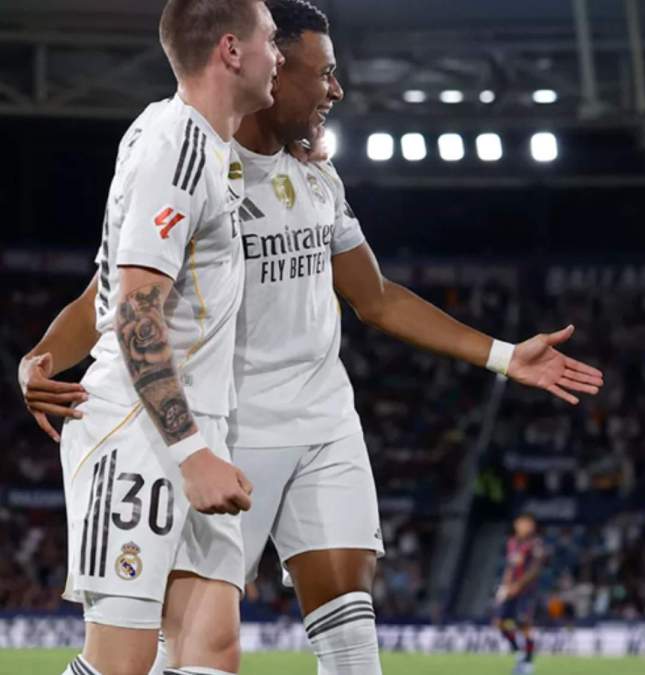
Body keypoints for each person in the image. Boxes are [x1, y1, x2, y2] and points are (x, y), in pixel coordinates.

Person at [19, 2, 603, 672]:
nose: (337, 90)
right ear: (251, 57)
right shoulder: (182, 147)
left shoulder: (298, 168)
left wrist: (502, 356)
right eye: (315, 68)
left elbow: (374, 295)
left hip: (301, 417)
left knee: (232, 647)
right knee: (133, 659)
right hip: (197, 426)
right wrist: (49, 358)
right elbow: (125, 295)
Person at [22, 1, 282, 673]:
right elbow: (136, 309)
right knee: (122, 662)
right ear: (231, 49)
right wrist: (192, 452)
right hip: (140, 431)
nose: (279, 55)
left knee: (212, 649)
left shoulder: (189, 141)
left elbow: (106, 287)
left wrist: (42, 355)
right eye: (271, 40)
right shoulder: (178, 144)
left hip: (191, 430)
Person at [493, 514, 545, 675]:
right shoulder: (512, 543)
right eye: (521, 523)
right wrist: (505, 586)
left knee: (525, 625)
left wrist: (518, 585)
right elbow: (510, 567)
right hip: (511, 590)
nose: (524, 526)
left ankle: (528, 663)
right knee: (500, 624)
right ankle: (519, 652)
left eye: (527, 524)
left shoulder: (535, 544)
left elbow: (535, 569)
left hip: (526, 592)